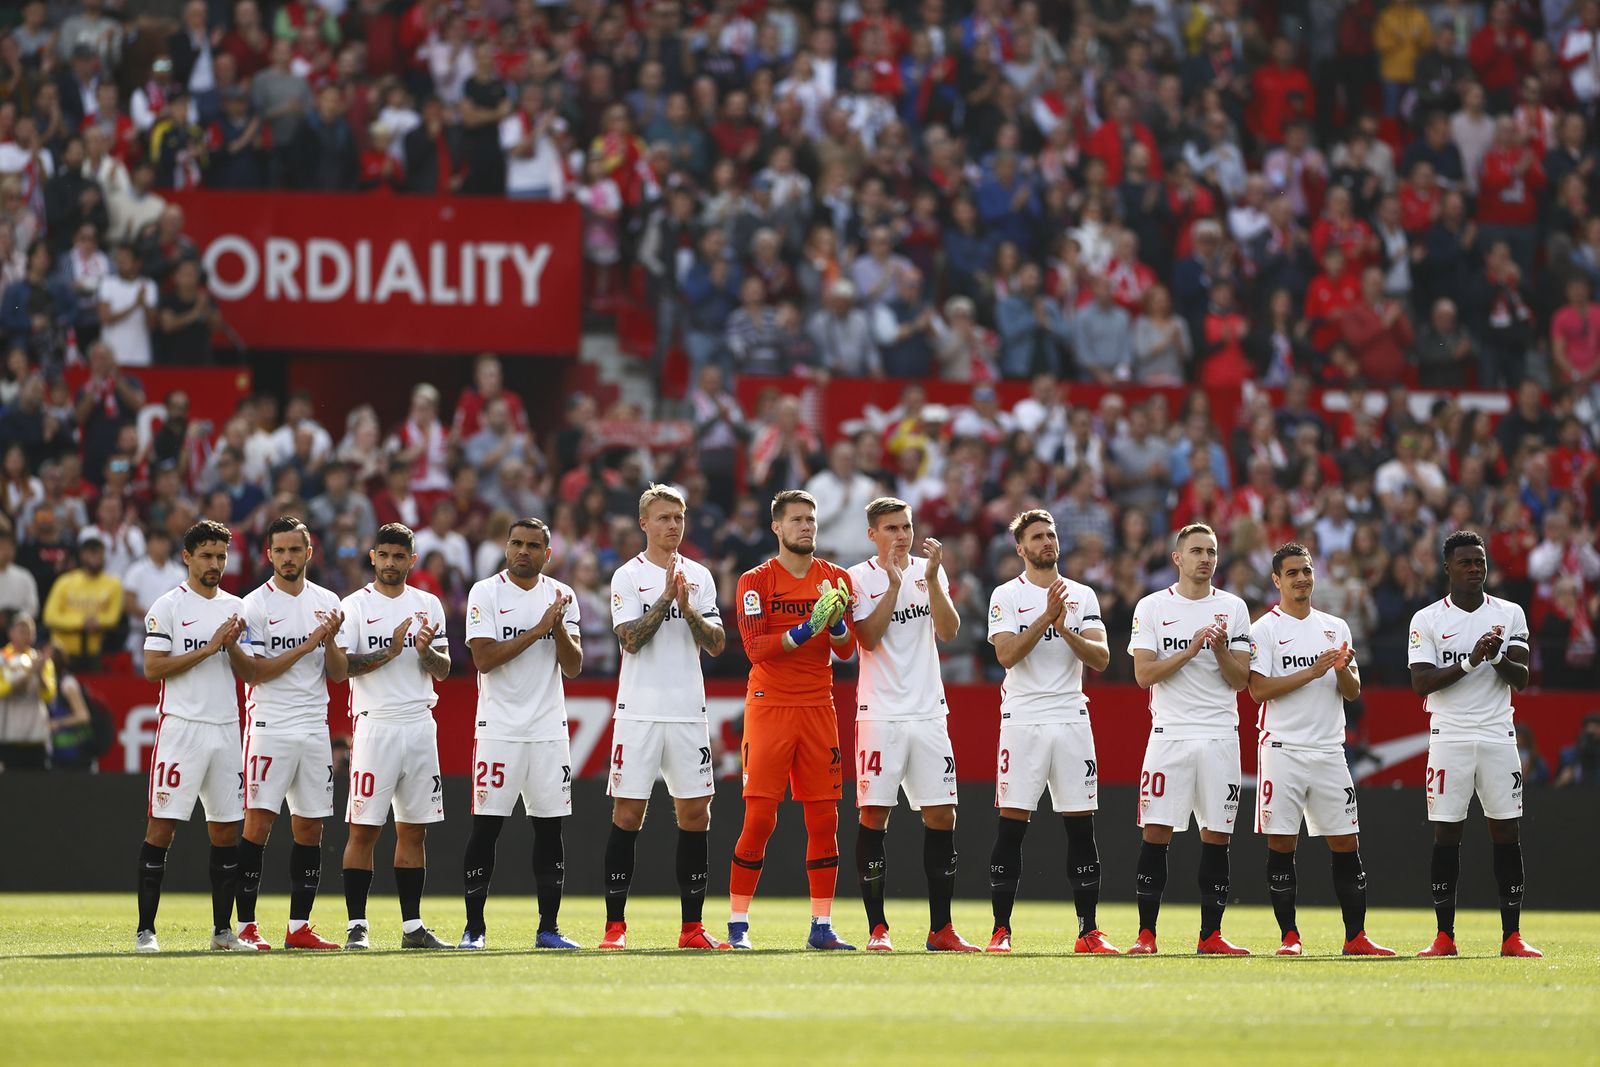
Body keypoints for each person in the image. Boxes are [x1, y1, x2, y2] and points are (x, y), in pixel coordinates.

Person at [1247, 543, 1395, 957]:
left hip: (1330, 749)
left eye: (1307, 571)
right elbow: (1258, 690)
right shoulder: (1265, 630)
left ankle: (1356, 937)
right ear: (1277, 580)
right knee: (1282, 844)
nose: (1301, 579)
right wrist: (1311, 671)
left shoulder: (1335, 626)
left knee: (1346, 842)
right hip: (1282, 748)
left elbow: (1353, 691)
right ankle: (1289, 937)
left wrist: (1341, 669)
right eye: (1292, 573)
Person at [597, 486, 727, 951]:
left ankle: (692, 927)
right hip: (640, 710)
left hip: (688, 709)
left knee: (696, 813)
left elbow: (716, 642)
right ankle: (615, 927)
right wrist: (664, 600)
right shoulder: (626, 577)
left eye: (679, 517)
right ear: (644, 524)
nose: (673, 525)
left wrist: (689, 606)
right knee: (629, 813)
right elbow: (629, 639)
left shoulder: (701, 576)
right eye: (664, 518)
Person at [727, 489, 857, 950]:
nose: (806, 527)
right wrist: (808, 627)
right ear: (776, 528)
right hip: (770, 704)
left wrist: (837, 623)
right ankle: (737, 925)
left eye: (811, 520)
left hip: (819, 706)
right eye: (797, 520)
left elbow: (847, 650)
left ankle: (821, 927)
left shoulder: (835, 578)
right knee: (760, 817)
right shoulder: (756, 581)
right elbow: (756, 649)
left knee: (824, 819)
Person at [983, 508, 1114, 955]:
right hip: (1022, 718)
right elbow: (1005, 656)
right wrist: (1045, 620)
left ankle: (1088, 930)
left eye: (1051, 535)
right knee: (1012, 824)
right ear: (1021, 549)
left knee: (1081, 826)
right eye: (1037, 537)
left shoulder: (1081, 595)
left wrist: (1064, 627)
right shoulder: (1005, 595)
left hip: (1072, 716)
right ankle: (1001, 930)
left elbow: (1101, 658)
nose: (1047, 542)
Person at [845, 497, 973, 952]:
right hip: (880, 714)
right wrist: (895, 588)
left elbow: (950, 630)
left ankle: (942, 929)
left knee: (942, 814)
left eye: (907, 526)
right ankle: (878, 929)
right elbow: (868, 638)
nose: (902, 535)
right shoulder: (857, 579)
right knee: (874, 815)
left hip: (928, 712)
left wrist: (934, 580)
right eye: (892, 528)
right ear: (872, 535)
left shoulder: (927, 570)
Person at [1407, 530, 1542, 958]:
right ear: (1448, 567)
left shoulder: (1510, 613)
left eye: (1479, 561)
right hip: (1450, 734)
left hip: (1498, 732)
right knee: (1447, 831)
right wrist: (1471, 660)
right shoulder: (1427, 619)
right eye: (1465, 562)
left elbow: (1520, 678)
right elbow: (1421, 682)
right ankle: (1444, 936)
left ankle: (1512, 936)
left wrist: (1497, 655)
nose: (1474, 568)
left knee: (1506, 829)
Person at [457, 518, 584, 951]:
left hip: (549, 729)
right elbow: (484, 659)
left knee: (550, 830)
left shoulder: (562, 596)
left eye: (533, 545)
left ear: (548, 554)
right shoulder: (485, 592)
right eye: (516, 543)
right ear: (506, 546)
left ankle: (548, 929)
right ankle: (474, 928)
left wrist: (560, 628)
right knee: (486, 828)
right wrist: (537, 631)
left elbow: (573, 665)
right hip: (500, 729)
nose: (523, 551)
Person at [324, 523, 453, 951]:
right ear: (373, 557)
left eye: (401, 557)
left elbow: (445, 669)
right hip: (375, 723)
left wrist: (424, 651)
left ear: (412, 561)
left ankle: (413, 926)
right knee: (364, 829)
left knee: (414, 831)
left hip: (419, 723)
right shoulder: (355, 606)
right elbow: (341, 669)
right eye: (385, 555)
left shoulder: (428, 604)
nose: (392, 563)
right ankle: (357, 924)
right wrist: (390, 652)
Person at [1126, 523, 1253, 956]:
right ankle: (1146, 935)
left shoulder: (1233, 608)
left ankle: (1211, 935)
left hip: (1220, 734)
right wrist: (1190, 649)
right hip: (1171, 734)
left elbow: (1240, 681)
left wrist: (1218, 650)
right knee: (1157, 831)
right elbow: (1143, 675)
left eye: (1212, 552)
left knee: (1217, 834)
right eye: (1196, 551)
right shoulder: (1152, 606)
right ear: (1177, 558)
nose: (1205, 559)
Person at [226, 517, 345, 951]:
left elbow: (337, 673)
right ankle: (246, 926)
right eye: (281, 550)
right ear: (269, 554)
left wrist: (330, 642)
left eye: (296, 550)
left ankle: (298, 926)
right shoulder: (253, 605)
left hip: (314, 725)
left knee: (310, 827)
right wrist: (312, 640)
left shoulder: (328, 601)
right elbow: (256, 673)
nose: (288, 558)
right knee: (258, 823)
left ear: (309, 553)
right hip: (270, 724)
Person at [135, 520, 251, 953]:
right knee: (161, 829)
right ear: (187, 556)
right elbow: (153, 668)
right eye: (206, 555)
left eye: (221, 556)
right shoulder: (168, 606)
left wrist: (233, 646)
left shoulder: (238, 607)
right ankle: (146, 930)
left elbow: (248, 671)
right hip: (181, 729)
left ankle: (223, 932)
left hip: (226, 728)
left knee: (226, 833)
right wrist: (210, 647)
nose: (215, 564)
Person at [42, 538, 123, 670]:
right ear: (82, 555)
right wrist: (81, 622)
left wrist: (98, 621)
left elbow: (113, 618)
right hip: (63, 653)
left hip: (96, 653)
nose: (97, 558)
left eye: (100, 554)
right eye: (93, 553)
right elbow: (49, 617)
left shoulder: (113, 584)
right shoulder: (65, 582)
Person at [0, 615, 55, 771]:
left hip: (35, 734)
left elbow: (49, 695)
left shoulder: (41, 660)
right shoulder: (2, 658)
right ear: (10, 633)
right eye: (22, 630)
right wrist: (30, 673)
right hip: (7, 734)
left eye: (30, 631)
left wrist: (39, 672)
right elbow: (2, 690)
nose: (26, 635)